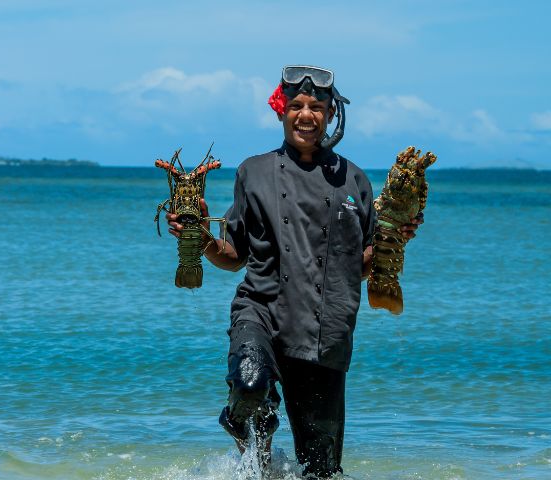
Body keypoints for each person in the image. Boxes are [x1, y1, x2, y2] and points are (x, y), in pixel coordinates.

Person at [167, 65, 422, 478]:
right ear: (281, 111)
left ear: (331, 114)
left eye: (317, 107)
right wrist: (201, 238)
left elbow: (358, 268)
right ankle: (257, 457)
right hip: (261, 311)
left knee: (321, 470)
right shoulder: (254, 171)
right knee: (249, 387)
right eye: (298, 106)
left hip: (325, 329)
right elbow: (234, 255)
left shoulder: (354, 180)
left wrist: (397, 236)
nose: (307, 115)